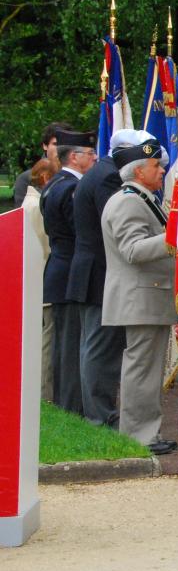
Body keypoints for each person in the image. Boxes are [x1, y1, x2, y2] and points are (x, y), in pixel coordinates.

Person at [68, 129, 155, 427]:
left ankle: (95, 411)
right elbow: (120, 232)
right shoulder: (110, 179)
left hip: (93, 268)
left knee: (93, 346)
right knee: (100, 348)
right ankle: (100, 416)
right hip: (102, 271)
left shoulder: (100, 172)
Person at [101, 139, 177, 454]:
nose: (162, 170)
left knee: (146, 369)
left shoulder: (141, 198)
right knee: (142, 369)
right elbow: (132, 250)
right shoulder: (128, 201)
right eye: (156, 166)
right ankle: (138, 436)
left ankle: (146, 432)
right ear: (138, 170)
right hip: (141, 298)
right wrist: (172, 236)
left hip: (148, 297)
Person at [40, 128, 97, 413]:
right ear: (74, 157)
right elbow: (82, 234)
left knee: (64, 346)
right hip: (70, 275)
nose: (95, 158)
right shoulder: (72, 189)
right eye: (90, 153)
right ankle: (72, 406)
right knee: (71, 347)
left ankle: (65, 402)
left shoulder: (53, 184)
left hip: (59, 272)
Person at [22, 159, 56, 402]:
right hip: (43, 283)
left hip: (40, 283)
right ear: (44, 177)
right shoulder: (35, 206)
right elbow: (42, 250)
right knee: (45, 344)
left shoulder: (32, 202)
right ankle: (42, 396)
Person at [11, 121, 70, 208]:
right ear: (45, 146)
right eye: (56, 144)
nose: (60, 149)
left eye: (65, 144)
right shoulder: (27, 178)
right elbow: (23, 216)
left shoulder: (79, 175)